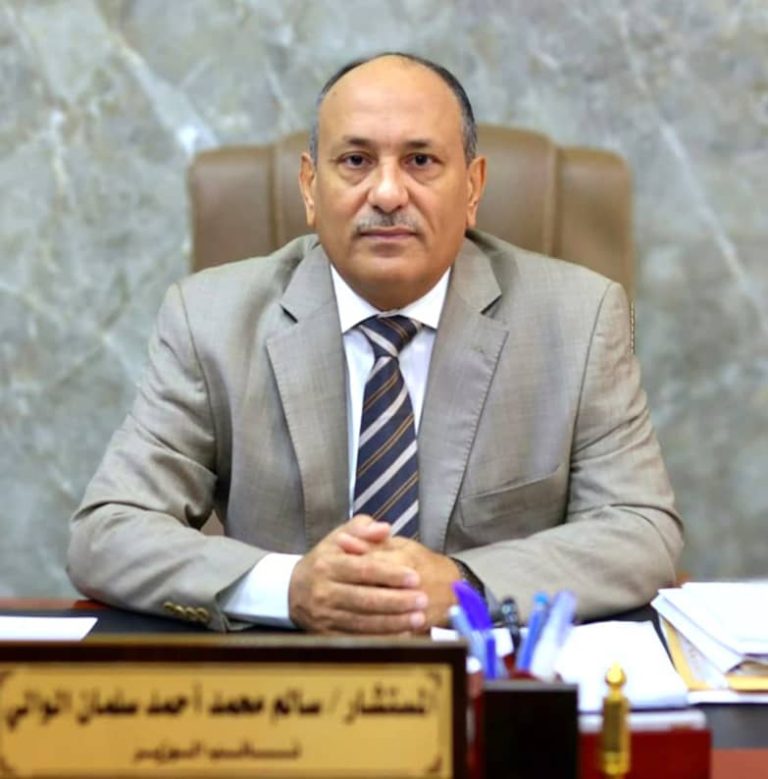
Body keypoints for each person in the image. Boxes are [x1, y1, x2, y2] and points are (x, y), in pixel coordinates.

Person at [68, 53, 683, 634]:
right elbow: (108, 531)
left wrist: (463, 586)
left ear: (473, 188)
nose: (388, 194)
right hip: (287, 685)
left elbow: (640, 530)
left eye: (421, 161)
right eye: (356, 160)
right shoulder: (210, 319)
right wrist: (288, 588)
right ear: (310, 187)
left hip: (486, 682)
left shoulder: (578, 320)